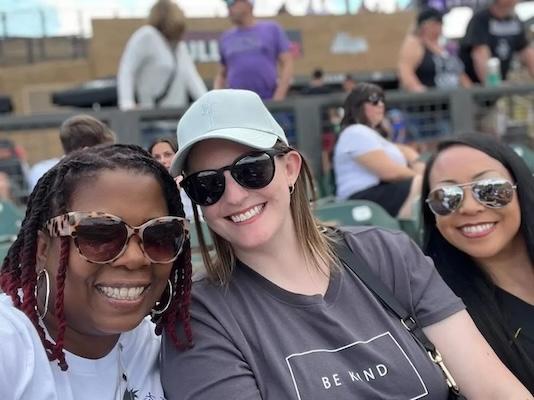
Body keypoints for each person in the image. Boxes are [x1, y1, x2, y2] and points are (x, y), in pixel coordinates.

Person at [160, 89, 531, 399]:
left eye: (251, 170)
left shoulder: (388, 255)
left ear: (290, 168)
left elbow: (493, 388)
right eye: (207, 185)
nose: (236, 196)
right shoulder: (199, 318)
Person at [0, 144, 192, 399]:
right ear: (42, 249)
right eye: (100, 235)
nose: (135, 258)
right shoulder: (9, 344)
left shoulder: (160, 345)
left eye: (159, 235)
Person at [422, 134, 534, 392]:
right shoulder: (436, 309)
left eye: (490, 189)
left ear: (521, 189)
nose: (470, 208)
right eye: (447, 196)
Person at [333, 83, 424, 218]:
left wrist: (415, 161)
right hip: (361, 199)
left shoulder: (372, 135)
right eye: (374, 100)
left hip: (379, 193)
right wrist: (421, 177)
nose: (380, 104)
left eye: (382, 100)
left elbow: (405, 152)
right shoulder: (355, 132)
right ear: (358, 105)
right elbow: (390, 173)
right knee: (423, 184)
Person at [117, 0, 207, 110]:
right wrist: (127, 104)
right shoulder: (147, 35)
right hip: (151, 118)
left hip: (176, 116)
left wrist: (208, 105)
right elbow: (127, 70)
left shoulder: (179, 47)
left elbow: (192, 79)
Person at [213, 0, 293, 101]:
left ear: (247, 3)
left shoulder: (272, 29)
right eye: (227, 5)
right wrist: (217, 99)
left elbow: (287, 62)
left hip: (268, 102)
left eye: (231, 3)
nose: (228, 9)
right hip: (238, 106)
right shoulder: (225, 38)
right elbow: (221, 75)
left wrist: (278, 98)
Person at [28, 114, 116, 190]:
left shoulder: (42, 172)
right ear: (87, 150)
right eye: (107, 150)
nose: (110, 156)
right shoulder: (100, 178)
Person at [459, 0, 534, 84]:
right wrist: (493, 87)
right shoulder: (481, 19)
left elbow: (527, 52)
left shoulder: (515, 20)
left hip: (500, 81)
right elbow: (480, 55)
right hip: (476, 85)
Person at [398, 7, 471, 92]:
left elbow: (460, 74)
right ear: (424, 25)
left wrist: (470, 92)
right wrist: (420, 92)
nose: (439, 26)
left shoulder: (446, 47)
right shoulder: (415, 44)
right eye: (436, 22)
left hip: (454, 99)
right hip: (431, 101)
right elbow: (406, 72)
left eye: (440, 22)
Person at [148, 137, 197, 220]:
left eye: (167, 155)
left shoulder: (192, 185)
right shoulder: (148, 191)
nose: (162, 160)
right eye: (157, 157)